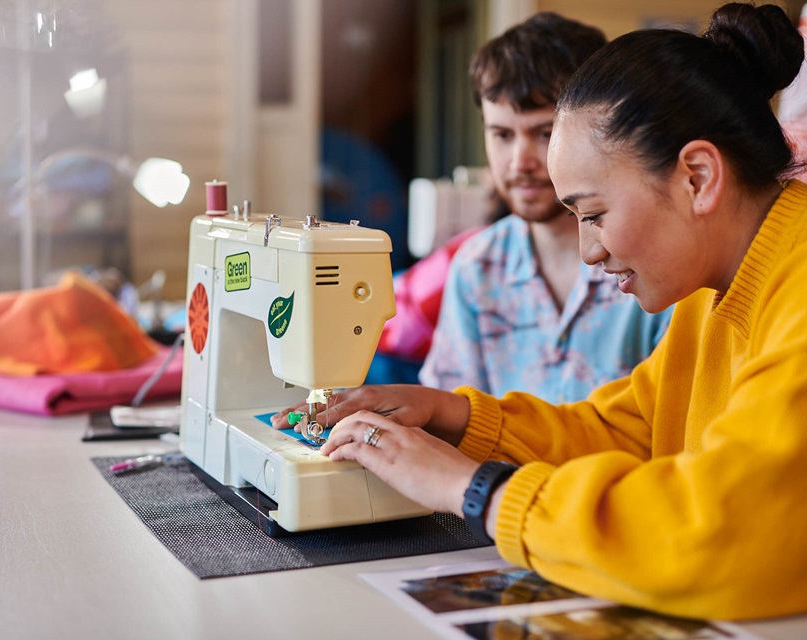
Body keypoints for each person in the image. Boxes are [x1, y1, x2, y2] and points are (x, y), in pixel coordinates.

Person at [295, 2, 807, 621]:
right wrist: (456, 417)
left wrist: (472, 488)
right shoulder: (717, 291)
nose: (590, 250)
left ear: (697, 177)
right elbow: (630, 432)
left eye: (593, 214)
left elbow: (726, 538)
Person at [416, 12, 671, 402]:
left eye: (545, 133)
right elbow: (447, 416)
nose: (520, 161)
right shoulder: (476, 268)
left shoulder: (654, 263)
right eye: (502, 134)